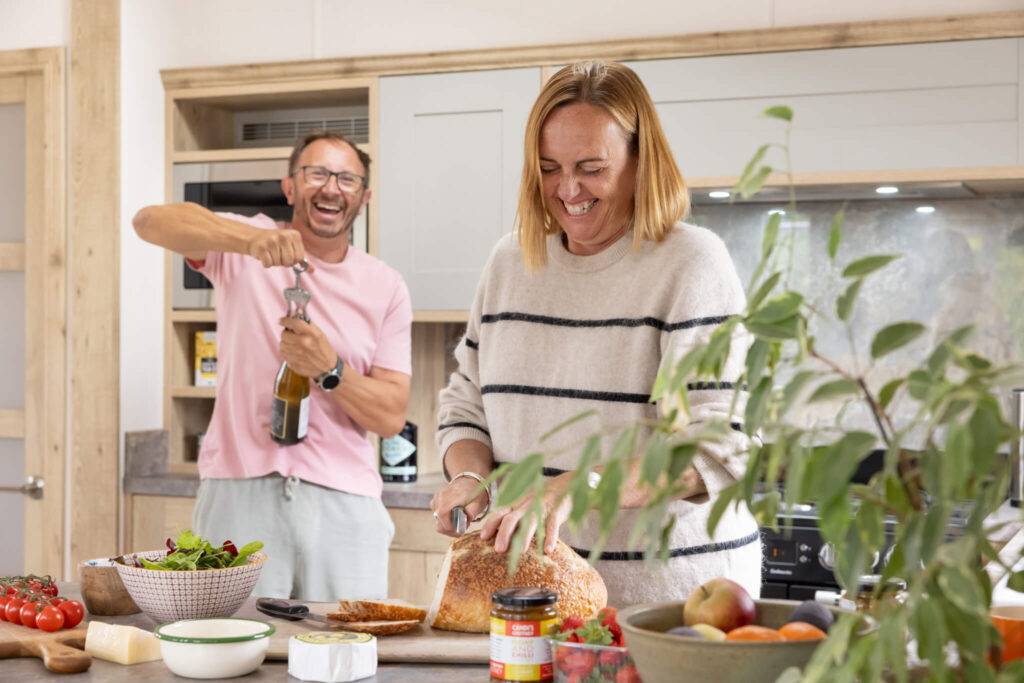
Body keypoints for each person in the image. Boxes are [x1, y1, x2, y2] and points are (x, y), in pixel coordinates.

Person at [429, 61, 761, 606]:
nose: (568, 189)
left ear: (639, 161)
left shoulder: (691, 264)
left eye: (591, 167)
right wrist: (471, 479)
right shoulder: (510, 262)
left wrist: (573, 488)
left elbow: (718, 446)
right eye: (549, 167)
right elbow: (466, 405)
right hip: (531, 595)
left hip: (671, 600)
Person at [133, 131, 412, 601]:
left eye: (347, 179)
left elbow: (390, 416)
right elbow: (148, 222)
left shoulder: (386, 286)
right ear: (289, 187)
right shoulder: (240, 252)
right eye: (316, 174)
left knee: (345, 658)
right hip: (239, 495)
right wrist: (251, 238)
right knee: (230, 652)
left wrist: (331, 369)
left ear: (364, 198)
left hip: (344, 506)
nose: (330, 188)